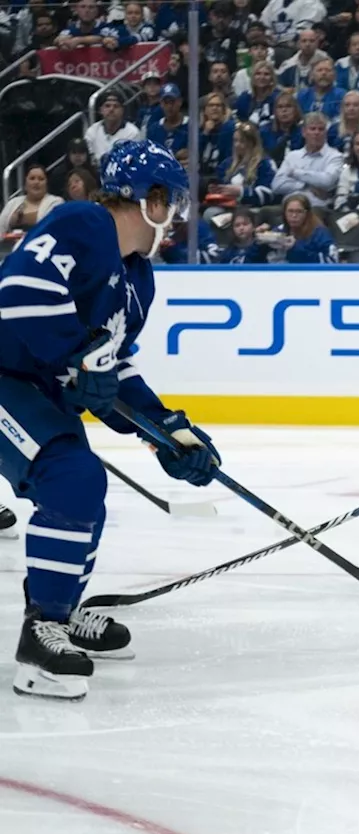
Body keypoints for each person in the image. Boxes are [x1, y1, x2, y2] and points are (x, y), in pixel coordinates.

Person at [0, 140, 221, 699]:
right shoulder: (84, 222)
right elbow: (19, 293)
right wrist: (76, 353)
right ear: (147, 198)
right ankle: (39, 637)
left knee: (83, 492)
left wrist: (166, 430)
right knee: (74, 480)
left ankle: (60, 610)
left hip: (39, 391)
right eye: (169, 201)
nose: (173, 216)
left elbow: (112, 369)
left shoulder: (139, 280)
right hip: (6, 378)